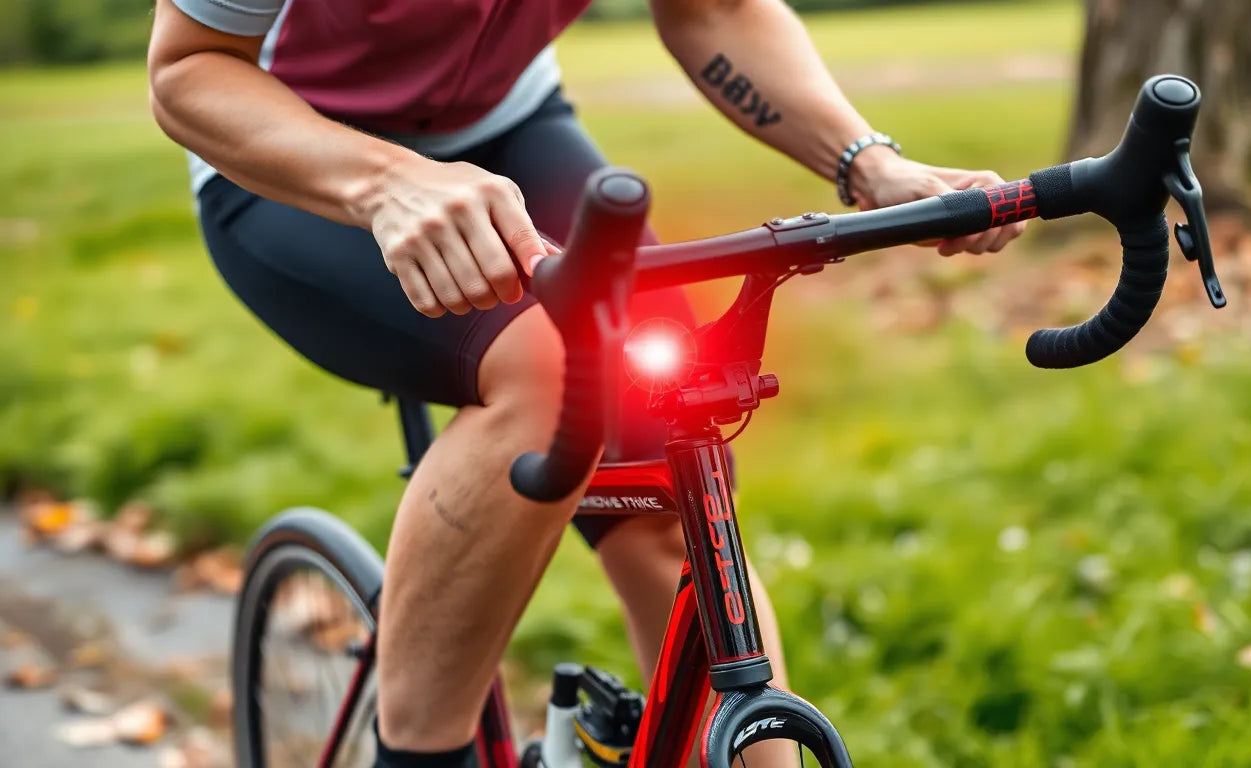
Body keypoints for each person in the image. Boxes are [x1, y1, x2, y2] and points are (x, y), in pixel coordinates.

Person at [147, 1, 1026, 765]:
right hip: (288, 160)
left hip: (505, 124)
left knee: (665, 429)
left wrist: (868, 165)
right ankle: (416, 757)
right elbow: (188, 69)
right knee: (549, 366)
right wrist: (389, 184)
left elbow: (713, 11)